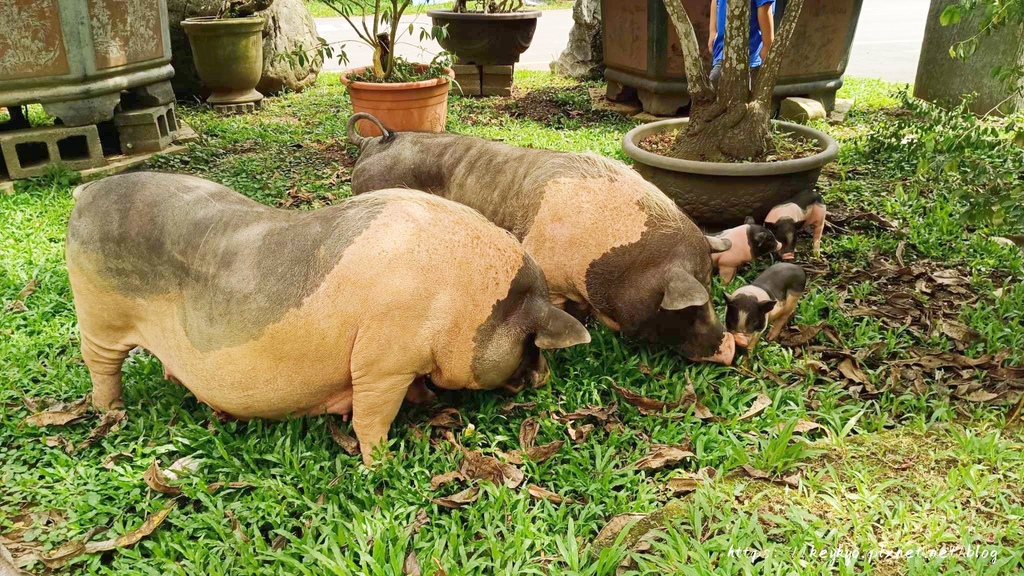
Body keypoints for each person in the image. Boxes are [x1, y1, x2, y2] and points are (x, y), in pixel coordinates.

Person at [708, 0, 775, 88]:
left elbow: (764, 8)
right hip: (725, 49)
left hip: (748, 52)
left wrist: (767, 46)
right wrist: (713, 30)